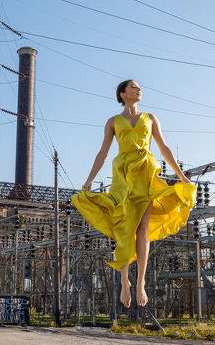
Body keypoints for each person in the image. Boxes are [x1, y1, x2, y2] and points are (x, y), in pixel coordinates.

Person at [71, 79, 196, 308]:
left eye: (139, 87)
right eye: (134, 87)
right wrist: (89, 180)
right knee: (124, 226)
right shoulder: (112, 122)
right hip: (122, 176)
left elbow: (164, 147)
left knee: (142, 228)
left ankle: (140, 283)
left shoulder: (150, 118)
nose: (139, 89)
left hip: (145, 174)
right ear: (122, 93)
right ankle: (124, 279)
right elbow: (103, 152)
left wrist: (181, 176)